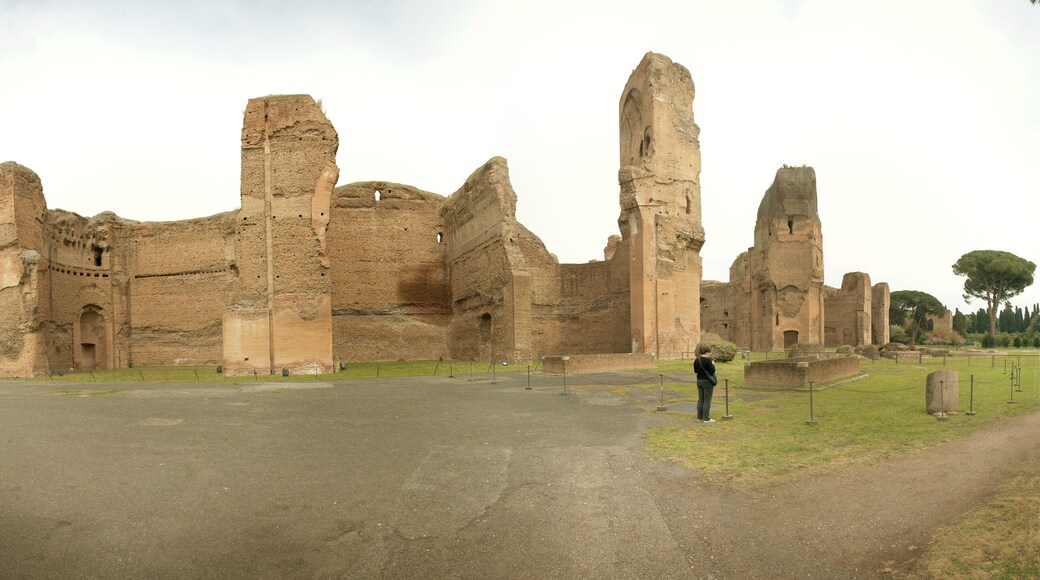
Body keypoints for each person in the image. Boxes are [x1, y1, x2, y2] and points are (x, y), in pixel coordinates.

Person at [693, 345, 716, 423]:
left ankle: (699, 417)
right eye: (709, 352)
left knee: (701, 399)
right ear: (706, 352)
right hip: (707, 382)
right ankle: (706, 418)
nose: (710, 354)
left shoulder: (697, 360)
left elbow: (695, 371)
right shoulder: (708, 361)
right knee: (707, 400)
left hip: (699, 380)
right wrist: (713, 364)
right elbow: (712, 371)